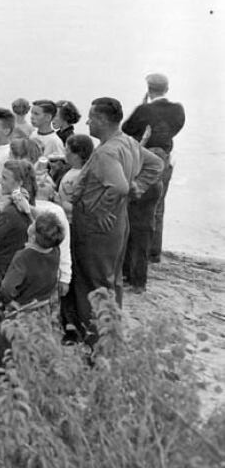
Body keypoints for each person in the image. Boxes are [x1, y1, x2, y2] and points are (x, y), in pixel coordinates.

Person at [63, 98, 163, 343]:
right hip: (118, 224)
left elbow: (117, 186)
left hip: (97, 227)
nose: (86, 121)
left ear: (102, 120)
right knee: (112, 281)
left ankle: (96, 342)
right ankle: (111, 335)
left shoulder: (107, 151)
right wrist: (137, 186)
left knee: (92, 284)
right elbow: (157, 164)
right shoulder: (127, 142)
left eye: (90, 117)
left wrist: (100, 211)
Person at [121, 73, 185, 263]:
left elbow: (126, 128)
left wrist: (141, 106)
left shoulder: (144, 109)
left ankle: (137, 251)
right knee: (158, 204)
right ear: (166, 89)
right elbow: (176, 127)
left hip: (147, 159)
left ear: (148, 90)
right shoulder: (177, 109)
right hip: (166, 156)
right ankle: (154, 251)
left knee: (139, 205)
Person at [0, 160, 35, 355]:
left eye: (5, 178)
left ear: (17, 182)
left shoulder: (11, 211)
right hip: (10, 260)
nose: (0, 182)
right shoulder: (22, 204)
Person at [0, 212, 65, 368]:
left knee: (8, 352)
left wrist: (9, 301)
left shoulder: (23, 257)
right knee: (35, 351)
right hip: (42, 310)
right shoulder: (55, 251)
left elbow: (6, 289)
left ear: (34, 233)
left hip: (22, 310)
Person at [122, 148, 165, 293]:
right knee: (134, 251)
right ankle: (130, 279)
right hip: (140, 222)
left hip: (141, 224)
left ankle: (138, 283)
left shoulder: (150, 185)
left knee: (138, 253)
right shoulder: (155, 183)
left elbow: (135, 196)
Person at [34, 175, 72, 299]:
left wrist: (65, 277)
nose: (42, 181)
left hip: (49, 270)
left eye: (47, 181)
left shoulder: (57, 211)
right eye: (38, 178)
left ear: (53, 192)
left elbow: (64, 244)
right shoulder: (22, 204)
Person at [58, 134, 94, 221]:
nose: (64, 153)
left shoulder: (80, 176)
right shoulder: (71, 170)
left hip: (72, 222)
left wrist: (57, 201)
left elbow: (77, 208)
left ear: (76, 155)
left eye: (67, 150)